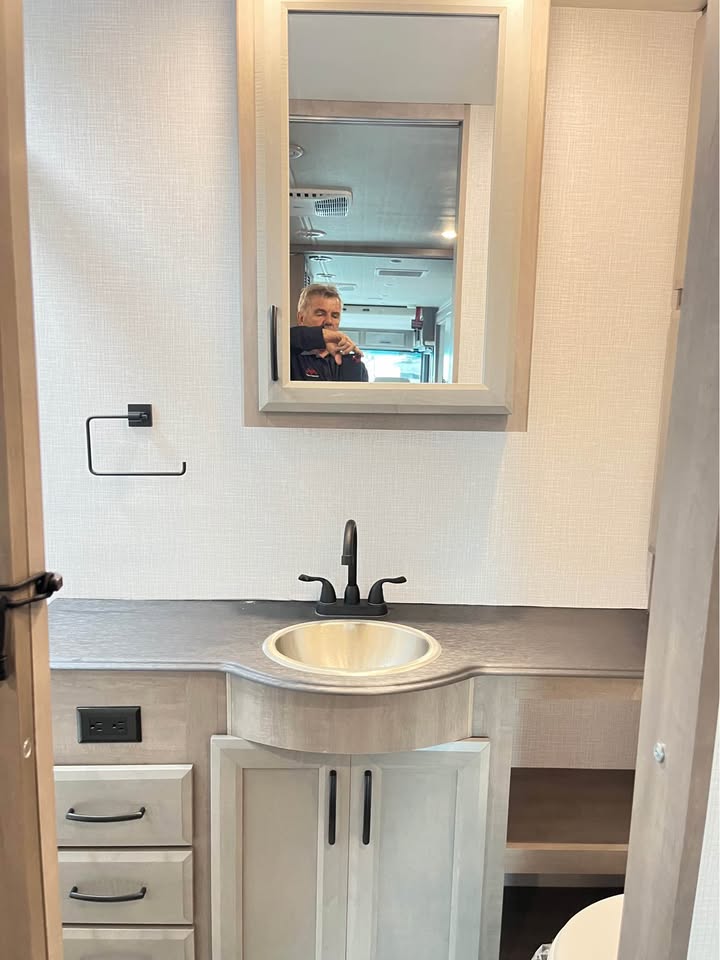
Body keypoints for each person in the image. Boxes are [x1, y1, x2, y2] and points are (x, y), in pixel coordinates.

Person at [290, 283, 369, 381]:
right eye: (320, 314)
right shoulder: (288, 355)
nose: (329, 321)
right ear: (301, 319)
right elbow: (282, 338)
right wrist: (321, 336)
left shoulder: (355, 366)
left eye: (335, 316)